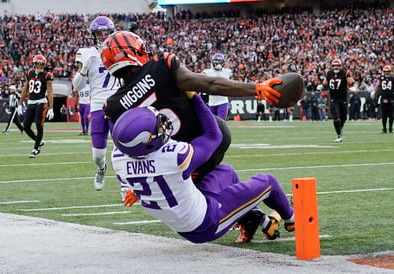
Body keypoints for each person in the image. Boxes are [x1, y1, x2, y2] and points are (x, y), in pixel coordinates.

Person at [101, 30, 283, 242]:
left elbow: (127, 150)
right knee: (209, 188)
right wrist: (256, 88)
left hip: (178, 157)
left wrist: (133, 185)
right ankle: (257, 219)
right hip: (207, 139)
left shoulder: (113, 106)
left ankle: (257, 217)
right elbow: (210, 84)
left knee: (192, 200)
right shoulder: (162, 65)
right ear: (135, 51)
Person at [110, 94, 295, 244]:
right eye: (157, 127)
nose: (162, 127)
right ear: (145, 142)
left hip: (184, 219)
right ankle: (291, 219)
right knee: (268, 182)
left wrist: (133, 189)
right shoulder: (173, 156)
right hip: (207, 222)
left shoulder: (118, 158)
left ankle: (256, 219)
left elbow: (130, 180)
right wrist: (194, 97)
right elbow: (215, 136)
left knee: (226, 173)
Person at [72, 16, 120, 191]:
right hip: (98, 104)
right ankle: (101, 169)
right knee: (97, 155)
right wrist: (84, 68)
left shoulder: (119, 50)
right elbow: (76, 86)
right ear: (93, 35)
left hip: (118, 104)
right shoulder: (86, 53)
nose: (102, 36)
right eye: (99, 33)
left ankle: (124, 185)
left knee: (122, 148)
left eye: (106, 32)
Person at [18, 54, 54, 158]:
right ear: (34, 64)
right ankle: (39, 142)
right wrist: (20, 104)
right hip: (31, 102)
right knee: (26, 126)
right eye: (38, 64)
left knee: (39, 125)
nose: (39, 66)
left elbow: (50, 92)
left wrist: (51, 108)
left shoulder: (47, 75)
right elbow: (25, 89)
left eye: (41, 64)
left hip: (41, 103)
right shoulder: (30, 73)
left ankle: (35, 148)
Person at [317, 58, 358, 142]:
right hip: (333, 99)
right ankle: (339, 136)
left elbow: (353, 82)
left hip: (343, 99)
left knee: (343, 118)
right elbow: (325, 83)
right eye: (335, 66)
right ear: (332, 66)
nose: (336, 68)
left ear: (341, 66)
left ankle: (340, 128)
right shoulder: (329, 73)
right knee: (335, 117)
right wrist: (321, 86)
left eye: (338, 66)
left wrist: (354, 87)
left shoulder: (344, 73)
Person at [202, 53, 231, 120]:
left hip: (222, 101)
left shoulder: (227, 72)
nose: (218, 64)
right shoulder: (207, 72)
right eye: (217, 62)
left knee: (221, 123)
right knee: (212, 124)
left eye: (220, 63)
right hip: (211, 102)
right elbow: (200, 77)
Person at [373, 65, 394, 133]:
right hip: (384, 97)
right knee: (384, 114)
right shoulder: (381, 77)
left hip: (391, 97)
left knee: (391, 114)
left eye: (387, 72)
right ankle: (384, 128)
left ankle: (390, 128)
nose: (386, 73)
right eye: (385, 72)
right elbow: (377, 85)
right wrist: (373, 92)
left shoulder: (392, 78)